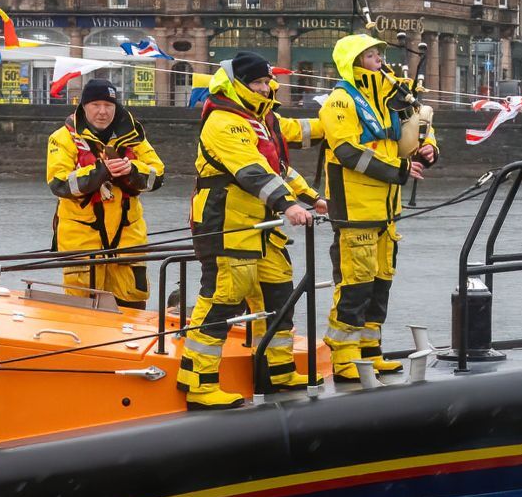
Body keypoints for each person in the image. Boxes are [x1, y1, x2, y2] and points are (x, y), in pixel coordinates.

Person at [178, 52, 326, 410]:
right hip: (227, 222)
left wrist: (310, 197)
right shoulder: (224, 120)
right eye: (257, 83)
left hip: (262, 225)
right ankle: (198, 382)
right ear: (238, 84)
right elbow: (250, 170)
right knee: (223, 298)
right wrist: (287, 205)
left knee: (279, 293)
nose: (264, 89)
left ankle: (277, 372)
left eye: (265, 82)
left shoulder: (261, 120)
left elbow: (277, 168)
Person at [318, 34, 438, 382]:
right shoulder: (340, 101)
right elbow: (348, 152)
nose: (377, 60)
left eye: (378, 54)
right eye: (369, 55)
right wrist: (400, 171)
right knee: (354, 284)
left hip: (387, 209)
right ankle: (344, 357)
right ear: (353, 62)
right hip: (354, 207)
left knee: (380, 282)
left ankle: (371, 352)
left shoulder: (394, 96)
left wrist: (428, 150)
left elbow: (420, 128)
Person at [45, 78, 164, 309]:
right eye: (95, 105)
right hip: (82, 241)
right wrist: (101, 171)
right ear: (83, 106)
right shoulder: (62, 138)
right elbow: (59, 183)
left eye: (108, 105)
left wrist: (131, 170)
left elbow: (157, 175)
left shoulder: (134, 135)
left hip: (128, 237)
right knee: (82, 308)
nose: (102, 112)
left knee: (133, 304)